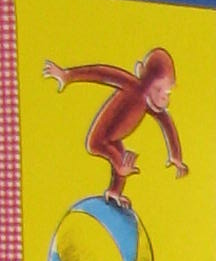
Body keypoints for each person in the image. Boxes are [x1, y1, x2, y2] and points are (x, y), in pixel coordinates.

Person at [42, 48, 188, 203]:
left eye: (167, 92)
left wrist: (175, 156)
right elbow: (103, 74)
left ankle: (114, 192)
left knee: (122, 157)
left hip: (113, 140)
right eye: (158, 89)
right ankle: (118, 173)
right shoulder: (132, 86)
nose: (163, 98)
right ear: (142, 76)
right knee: (118, 160)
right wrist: (68, 75)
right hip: (99, 139)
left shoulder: (148, 104)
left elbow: (167, 123)